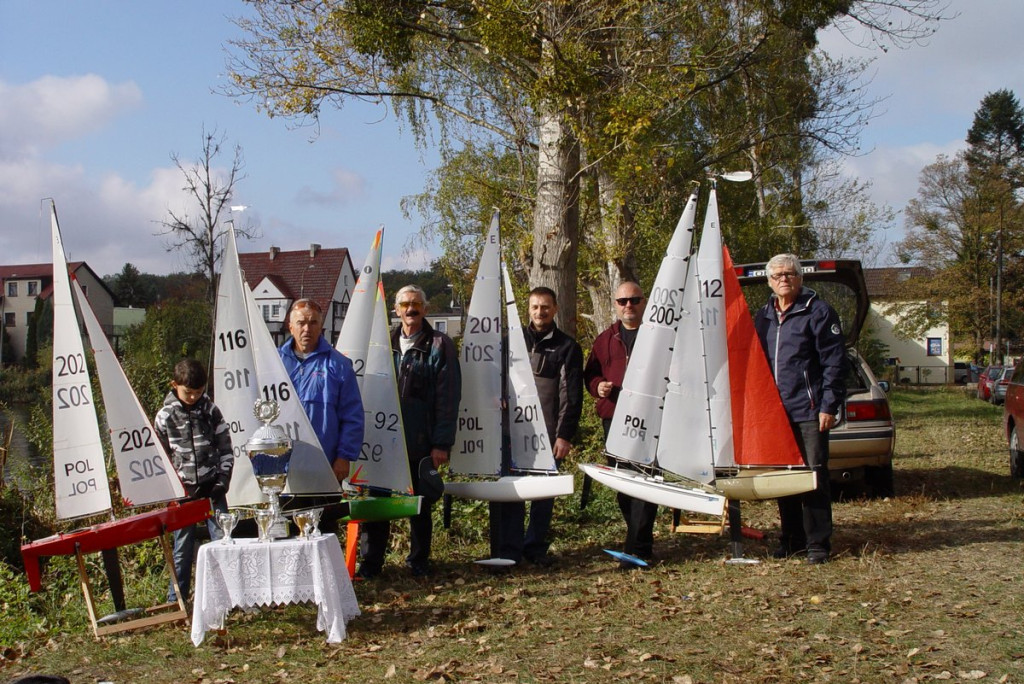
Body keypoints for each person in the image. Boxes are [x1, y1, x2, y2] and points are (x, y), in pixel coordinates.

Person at [358, 285, 461, 578]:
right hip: (383, 438)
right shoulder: (382, 344)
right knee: (377, 503)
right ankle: (371, 563)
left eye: (416, 304)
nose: (410, 309)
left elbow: (448, 398)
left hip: (420, 439)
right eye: (404, 304)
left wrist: (441, 443)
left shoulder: (440, 344)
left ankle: (418, 561)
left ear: (425, 309)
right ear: (396, 310)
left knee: (420, 504)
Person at [754, 254, 846, 565]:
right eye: (778, 275)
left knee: (813, 477)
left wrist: (828, 405)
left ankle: (817, 544)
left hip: (809, 410)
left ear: (800, 278)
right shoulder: (763, 316)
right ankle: (791, 540)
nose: (784, 279)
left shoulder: (818, 312)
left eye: (790, 273)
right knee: (785, 479)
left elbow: (834, 363)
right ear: (769, 281)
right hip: (775, 415)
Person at [497, 286, 583, 566]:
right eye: (535, 307)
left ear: (555, 309)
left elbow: (571, 397)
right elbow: (495, 376)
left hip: (547, 436)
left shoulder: (568, 347)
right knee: (511, 492)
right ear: (528, 309)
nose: (540, 312)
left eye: (545, 307)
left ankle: (534, 550)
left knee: (543, 497)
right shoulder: (511, 340)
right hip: (512, 434)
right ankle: (509, 552)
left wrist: (564, 436)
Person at [584, 281, 659, 569]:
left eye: (634, 300)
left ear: (644, 302)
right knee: (624, 485)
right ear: (615, 305)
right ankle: (639, 541)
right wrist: (597, 386)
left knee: (646, 482)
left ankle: (637, 548)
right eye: (622, 301)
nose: (629, 305)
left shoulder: (658, 335)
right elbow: (591, 373)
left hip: (650, 419)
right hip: (614, 418)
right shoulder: (605, 339)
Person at [278, 298, 364, 531]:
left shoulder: (339, 365)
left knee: (323, 530)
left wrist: (344, 456)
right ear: (291, 326)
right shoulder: (273, 363)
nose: (307, 328)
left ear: (321, 326)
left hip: (325, 465)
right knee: (287, 531)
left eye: (313, 322)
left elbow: (353, 416)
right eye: (301, 323)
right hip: (286, 468)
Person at [154, 358, 233, 603]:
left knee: (223, 542)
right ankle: (176, 599)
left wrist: (223, 481)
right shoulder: (164, 417)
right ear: (174, 385)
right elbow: (160, 458)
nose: (193, 397)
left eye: (198, 392)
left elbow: (226, 449)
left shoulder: (211, 411)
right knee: (182, 547)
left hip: (213, 489)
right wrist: (172, 490)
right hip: (183, 493)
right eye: (188, 392)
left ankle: (229, 597)